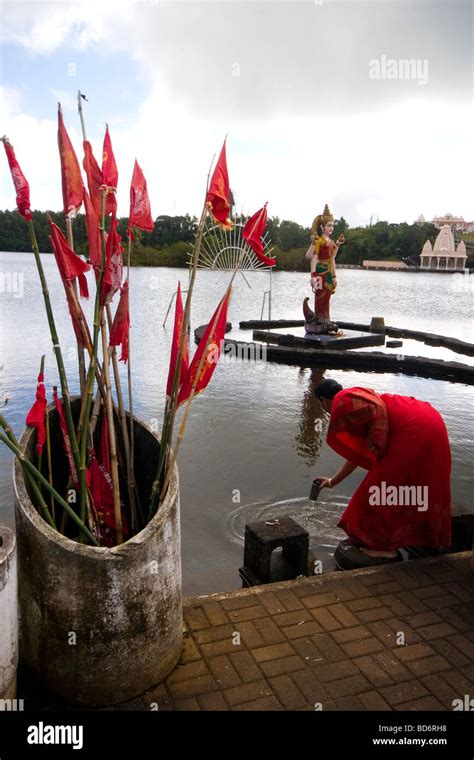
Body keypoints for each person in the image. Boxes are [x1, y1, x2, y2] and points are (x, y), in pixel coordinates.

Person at [314, 378, 452, 565]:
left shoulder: (343, 401)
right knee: (411, 487)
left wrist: (377, 448)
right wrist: (332, 481)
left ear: (323, 400)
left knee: (378, 492)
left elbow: (373, 427)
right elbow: (361, 451)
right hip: (430, 420)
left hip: (414, 429)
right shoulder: (357, 397)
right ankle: (417, 538)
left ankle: (385, 549)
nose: (325, 411)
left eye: (322, 406)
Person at [305, 204, 345, 325]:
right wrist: (312, 275)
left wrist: (334, 276)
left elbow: (332, 258)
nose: (331, 228)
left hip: (328, 273)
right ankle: (319, 319)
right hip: (319, 273)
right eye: (328, 225)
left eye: (332, 226)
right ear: (322, 227)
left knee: (327, 296)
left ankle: (325, 318)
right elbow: (314, 258)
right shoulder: (320, 241)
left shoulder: (331, 242)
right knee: (319, 295)